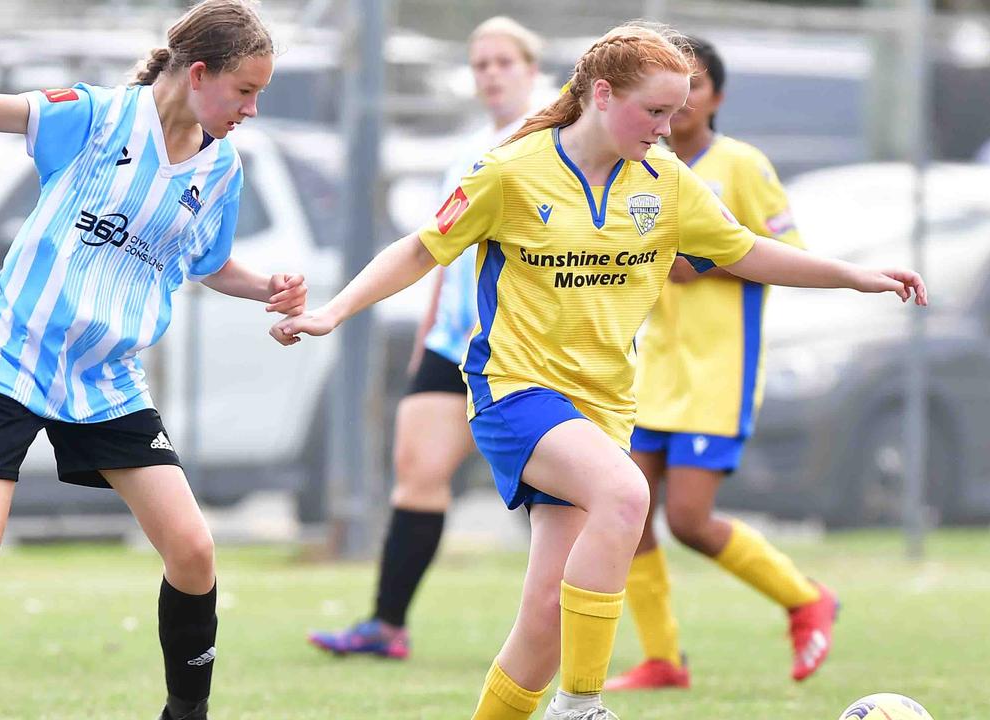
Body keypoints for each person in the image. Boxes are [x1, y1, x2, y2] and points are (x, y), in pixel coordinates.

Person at [272, 21, 926, 720]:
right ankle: (579, 707)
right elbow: (421, 249)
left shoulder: (665, 183)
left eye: (676, 113)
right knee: (625, 495)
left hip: (603, 409)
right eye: (655, 112)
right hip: (514, 391)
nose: (667, 128)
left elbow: (745, 250)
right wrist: (334, 312)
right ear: (604, 95)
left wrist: (856, 276)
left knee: (545, 621)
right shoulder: (511, 170)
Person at [0, 3, 304, 719]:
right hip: (17, 355)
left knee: (192, 550)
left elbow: (208, 263)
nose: (253, 108)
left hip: (108, 379)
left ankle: (186, 715)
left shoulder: (221, 168)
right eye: (246, 90)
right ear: (198, 74)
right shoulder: (94, 117)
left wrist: (267, 289)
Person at [307, 15, 543, 661]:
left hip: (523, 350)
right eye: (481, 64)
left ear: (531, 69)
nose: (491, 74)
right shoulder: (468, 153)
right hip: (452, 345)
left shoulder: (551, 145)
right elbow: (440, 250)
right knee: (416, 472)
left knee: (553, 493)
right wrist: (429, 333)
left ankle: (564, 630)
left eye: (503, 62)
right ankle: (386, 625)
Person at [603, 36, 833, 693]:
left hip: (718, 370)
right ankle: (663, 658)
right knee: (626, 512)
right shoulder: (642, 164)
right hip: (651, 370)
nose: (679, 104)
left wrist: (700, 261)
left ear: (716, 98)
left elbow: (789, 250)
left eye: (695, 87)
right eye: (669, 90)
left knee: (691, 520)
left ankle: (804, 597)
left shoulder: (741, 165)